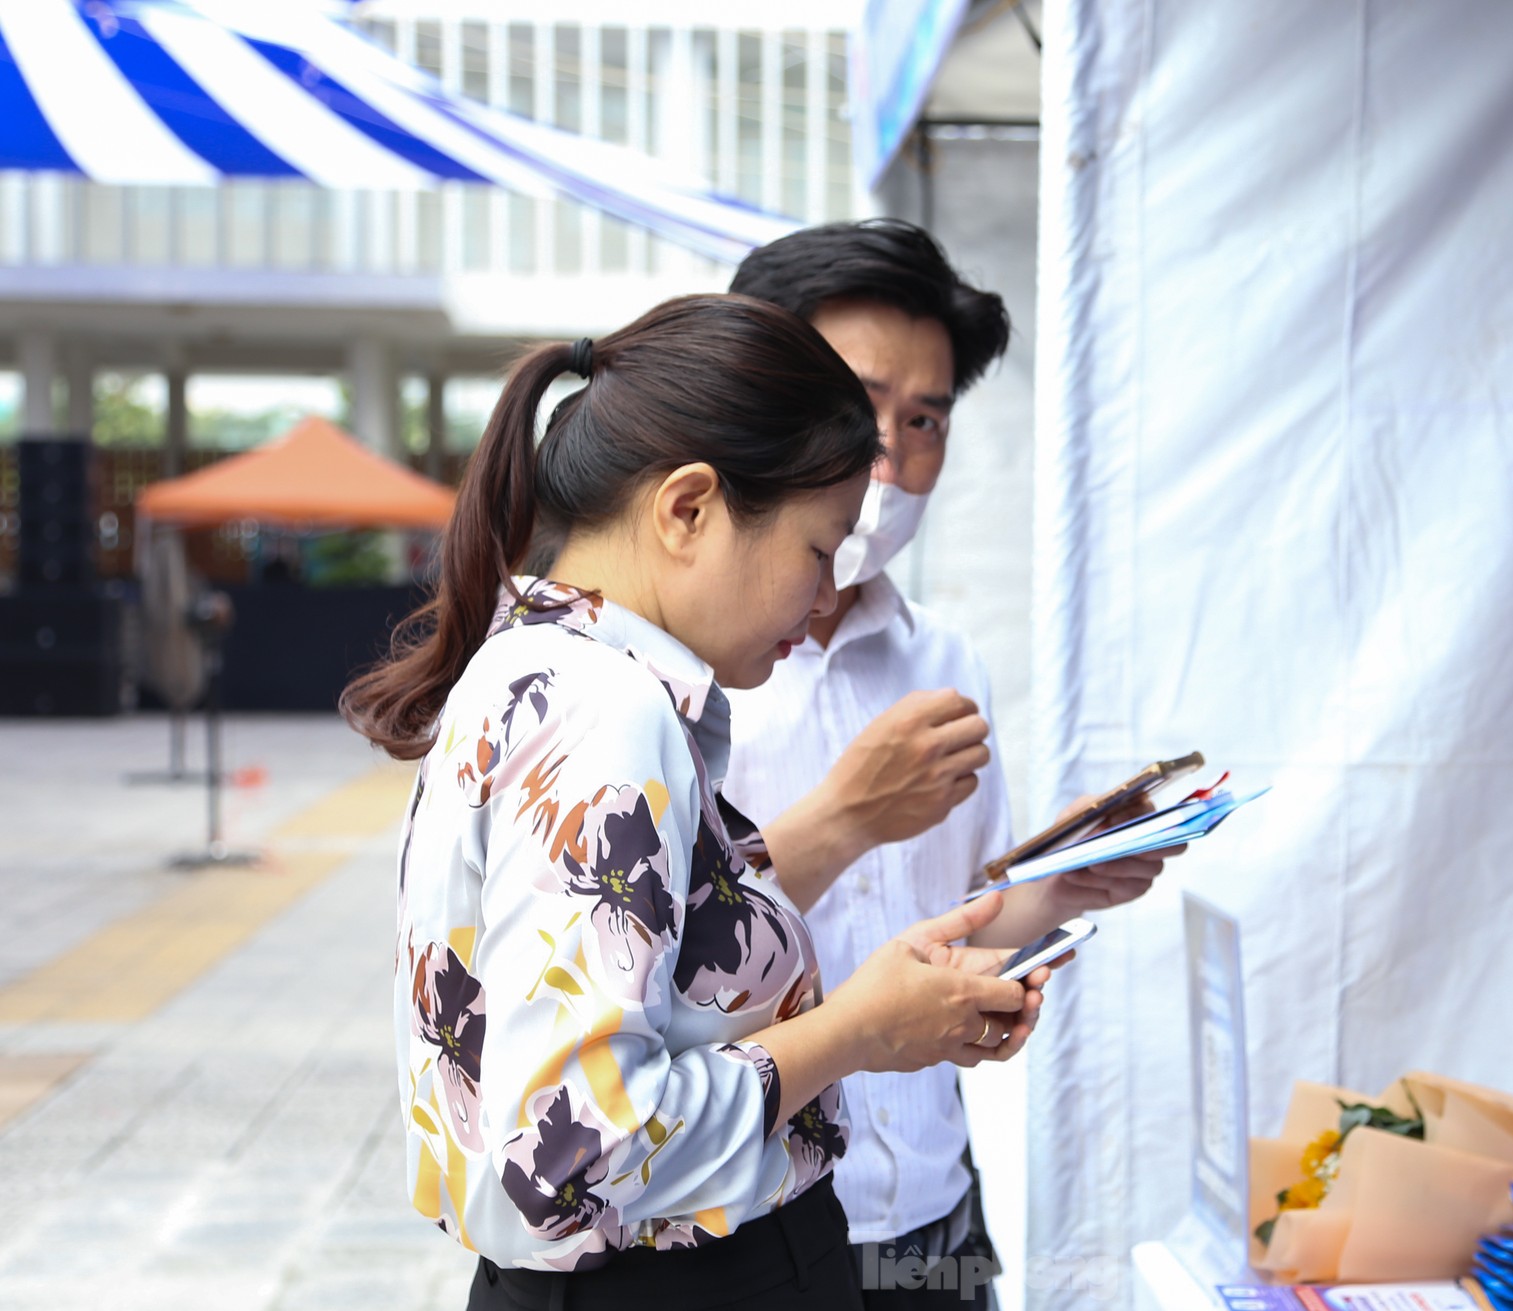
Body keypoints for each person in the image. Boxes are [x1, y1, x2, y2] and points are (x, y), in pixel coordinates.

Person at [341, 294, 1058, 1310]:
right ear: (687, 509)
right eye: (816, 551)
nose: (820, 598)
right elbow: (574, 1156)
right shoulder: (605, 710)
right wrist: (855, 1031)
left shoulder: (550, 675)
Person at [722, 221, 1179, 1309]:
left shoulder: (939, 660)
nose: (884, 450)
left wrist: (1061, 884)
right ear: (747, 383)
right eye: (854, 399)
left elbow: (962, 910)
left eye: (922, 418)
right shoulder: (672, 679)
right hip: (753, 1215)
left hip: (929, 1197)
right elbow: (644, 967)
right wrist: (841, 815)